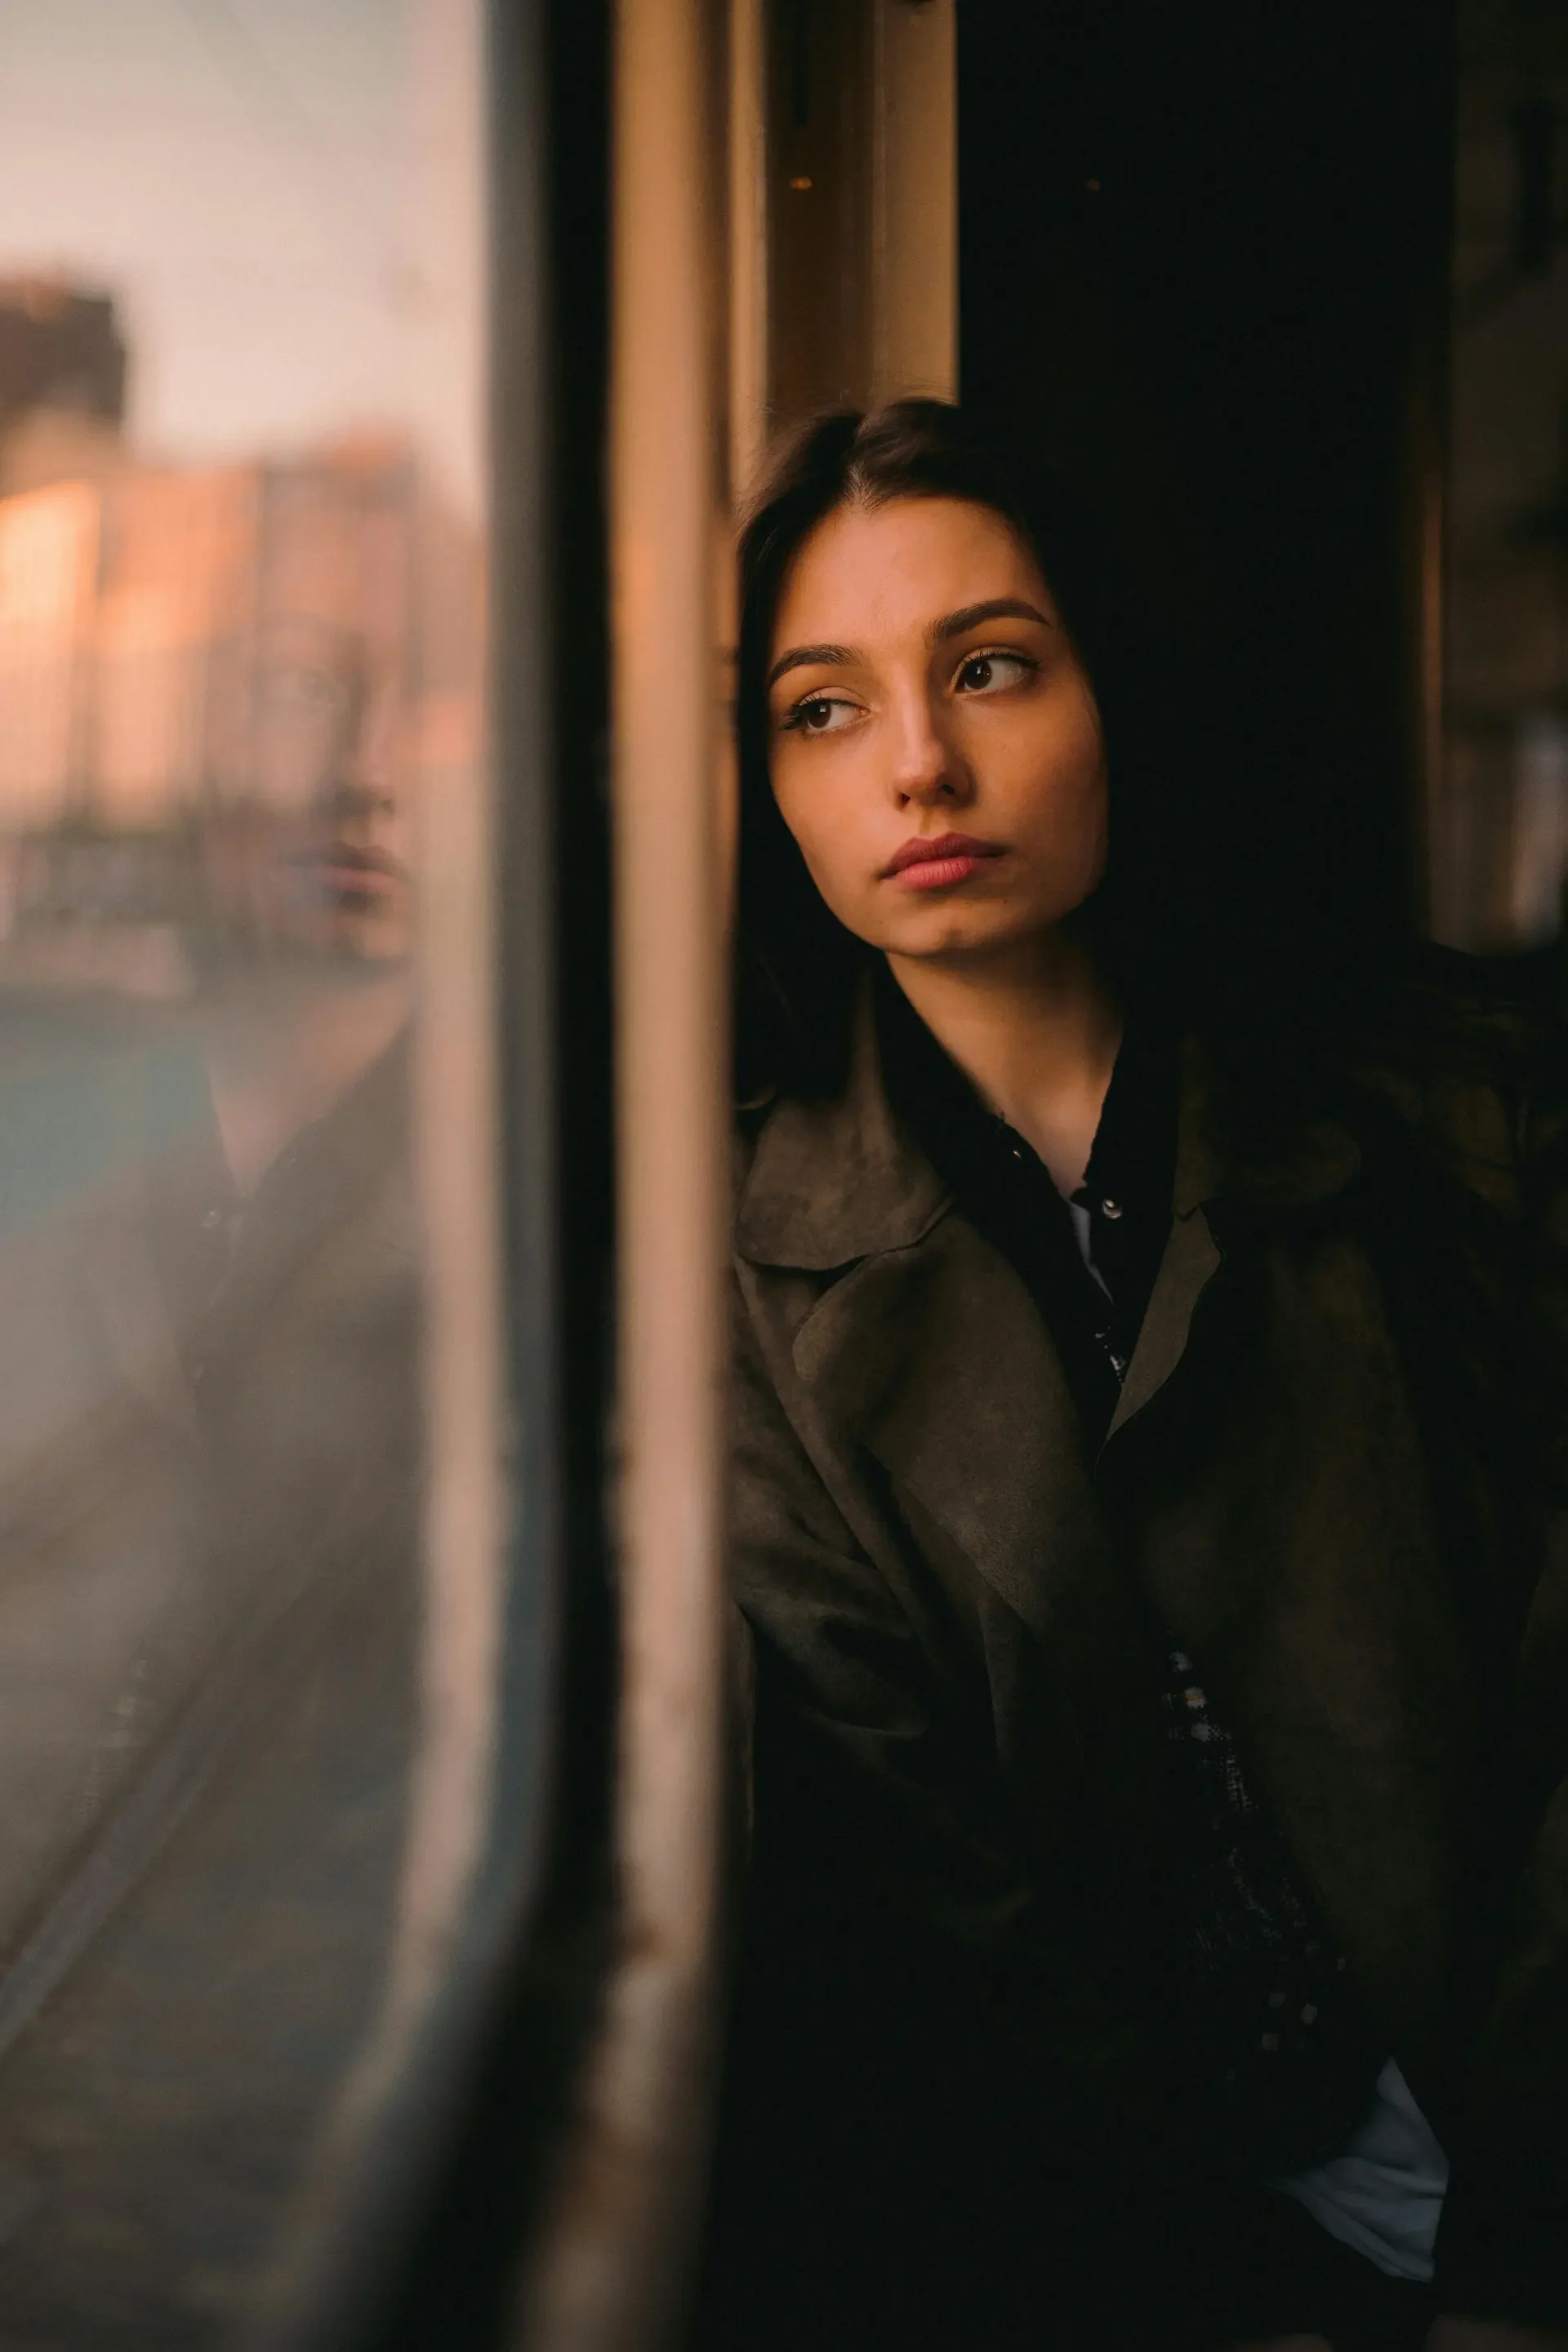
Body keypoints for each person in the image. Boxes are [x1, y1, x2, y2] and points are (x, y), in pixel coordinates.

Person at [701, 400, 1568, 2352]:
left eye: (990, 668)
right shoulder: (742, 1278)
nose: (921, 764)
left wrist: (1527, 2256)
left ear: (1111, 694)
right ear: (761, 781)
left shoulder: (1458, 1099)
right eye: (821, 709)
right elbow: (930, 1928)